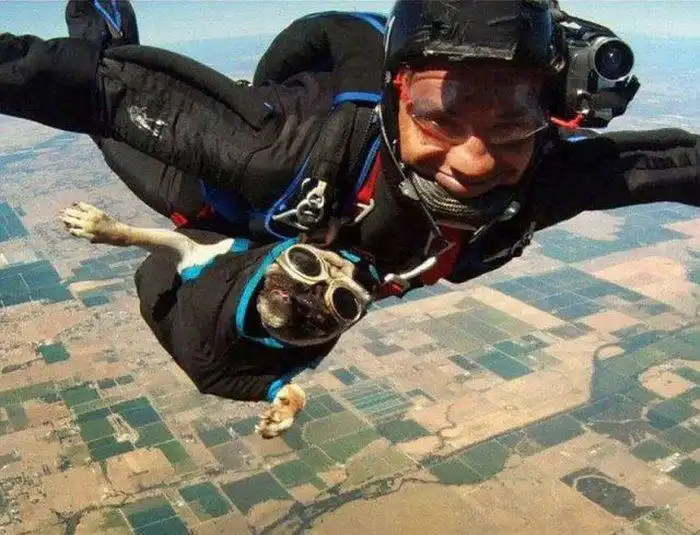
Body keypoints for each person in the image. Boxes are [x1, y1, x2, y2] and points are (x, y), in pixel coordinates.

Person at [0, 1, 698, 423]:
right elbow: (81, 86)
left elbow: (672, 164)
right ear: (396, 98)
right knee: (107, 69)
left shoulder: (541, 177)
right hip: (208, 192)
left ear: (553, 118)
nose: (475, 159)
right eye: (441, 113)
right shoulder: (280, 147)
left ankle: (282, 292)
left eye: (514, 119)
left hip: (304, 231)